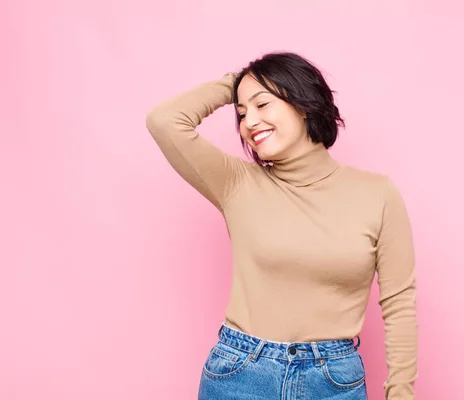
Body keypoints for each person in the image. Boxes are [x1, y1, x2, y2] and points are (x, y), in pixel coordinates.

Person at [145, 52, 418, 399]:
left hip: (333, 381)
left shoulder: (377, 194)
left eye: (262, 105)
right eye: (242, 114)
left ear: (302, 103)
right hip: (240, 375)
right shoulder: (236, 183)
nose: (249, 122)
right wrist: (239, 81)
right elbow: (164, 120)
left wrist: (402, 392)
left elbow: (399, 302)